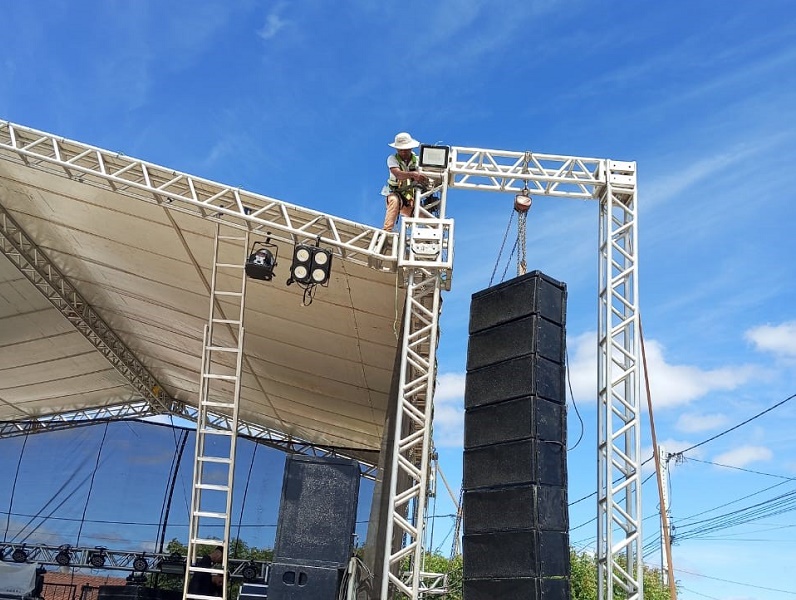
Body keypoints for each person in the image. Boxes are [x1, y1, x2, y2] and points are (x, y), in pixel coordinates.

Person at [382, 132, 428, 231]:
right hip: (397, 194)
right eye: (400, 150)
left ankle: (433, 235)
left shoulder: (417, 161)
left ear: (411, 148)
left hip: (411, 200)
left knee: (427, 217)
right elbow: (398, 174)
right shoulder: (392, 159)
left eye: (406, 150)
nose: (403, 152)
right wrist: (414, 174)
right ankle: (386, 231)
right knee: (394, 201)